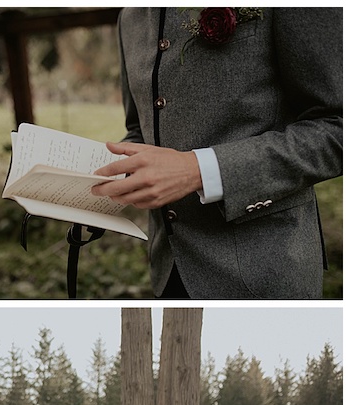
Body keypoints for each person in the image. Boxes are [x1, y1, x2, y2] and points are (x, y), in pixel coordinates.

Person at [90, 8, 342, 300]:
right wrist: (85, 186)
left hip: (264, 274)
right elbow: (139, 131)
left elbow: (338, 126)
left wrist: (199, 170)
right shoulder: (129, 16)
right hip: (167, 271)